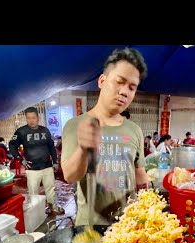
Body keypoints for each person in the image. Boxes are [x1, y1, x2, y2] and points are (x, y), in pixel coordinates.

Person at [61, 47, 148, 226]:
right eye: (119, 82)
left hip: (128, 225)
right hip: (91, 228)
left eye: (132, 88)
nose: (125, 92)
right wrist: (84, 149)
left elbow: (140, 175)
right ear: (102, 80)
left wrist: (146, 208)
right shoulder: (75, 125)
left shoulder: (134, 130)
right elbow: (70, 176)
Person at [9, 107, 64, 214]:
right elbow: (12, 146)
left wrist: (55, 162)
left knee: (51, 190)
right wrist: (21, 160)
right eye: (28, 118)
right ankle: (37, 213)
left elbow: (51, 147)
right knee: (33, 193)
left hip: (47, 167)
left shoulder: (45, 130)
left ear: (38, 118)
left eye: (33, 118)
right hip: (32, 169)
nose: (31, 120)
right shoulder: (21, 131)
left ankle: (53, 208)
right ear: (26, 119)